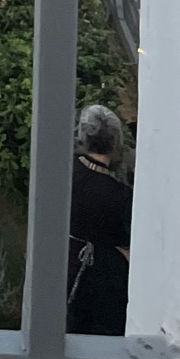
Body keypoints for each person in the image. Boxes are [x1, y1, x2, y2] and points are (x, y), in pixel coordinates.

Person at [68, 104, 133, 336]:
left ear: (82, 136)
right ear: (115, 143)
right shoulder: (121, 196)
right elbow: (129, 252)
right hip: (106, 293)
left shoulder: (63, 173)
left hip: (61, 277)